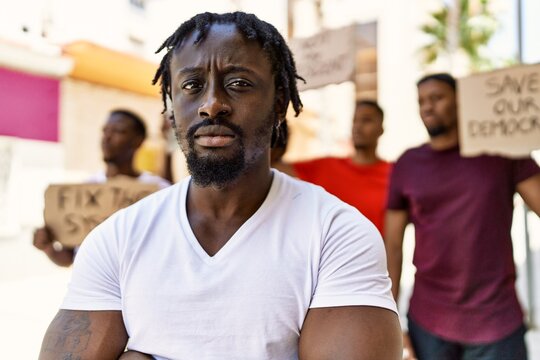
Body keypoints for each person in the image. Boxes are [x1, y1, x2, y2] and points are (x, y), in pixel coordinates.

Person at [38, 12, 402, 360]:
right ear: (171, 106)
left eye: (239, 84)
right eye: (192, 85)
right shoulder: (117, 239)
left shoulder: (337, 235)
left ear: (278, 104)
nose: (212, 105)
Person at [385, 73, 540, 360]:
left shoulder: (502, 152)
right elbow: (393, 246)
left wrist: (522, 144)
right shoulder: (407, 164)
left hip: (497, 321)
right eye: (422, 101)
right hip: (429, 321)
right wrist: (388, 316)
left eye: (437, 98)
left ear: (461, 101)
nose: (428, 107)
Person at [33, 109, 170, 267]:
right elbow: (68, 257)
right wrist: (48, 247)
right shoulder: (83, 191)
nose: (107, 137)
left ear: (138, 141)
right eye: (105, 131)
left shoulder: (158, 190)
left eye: (118, 131)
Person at [274, 100, 391, 235]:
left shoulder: (394, 174)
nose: (357, 127)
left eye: (366, 120)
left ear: (381, 129)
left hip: (375, 254)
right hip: (330, 254)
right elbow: (275, 166)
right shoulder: (327, 166)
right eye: (355, 121)